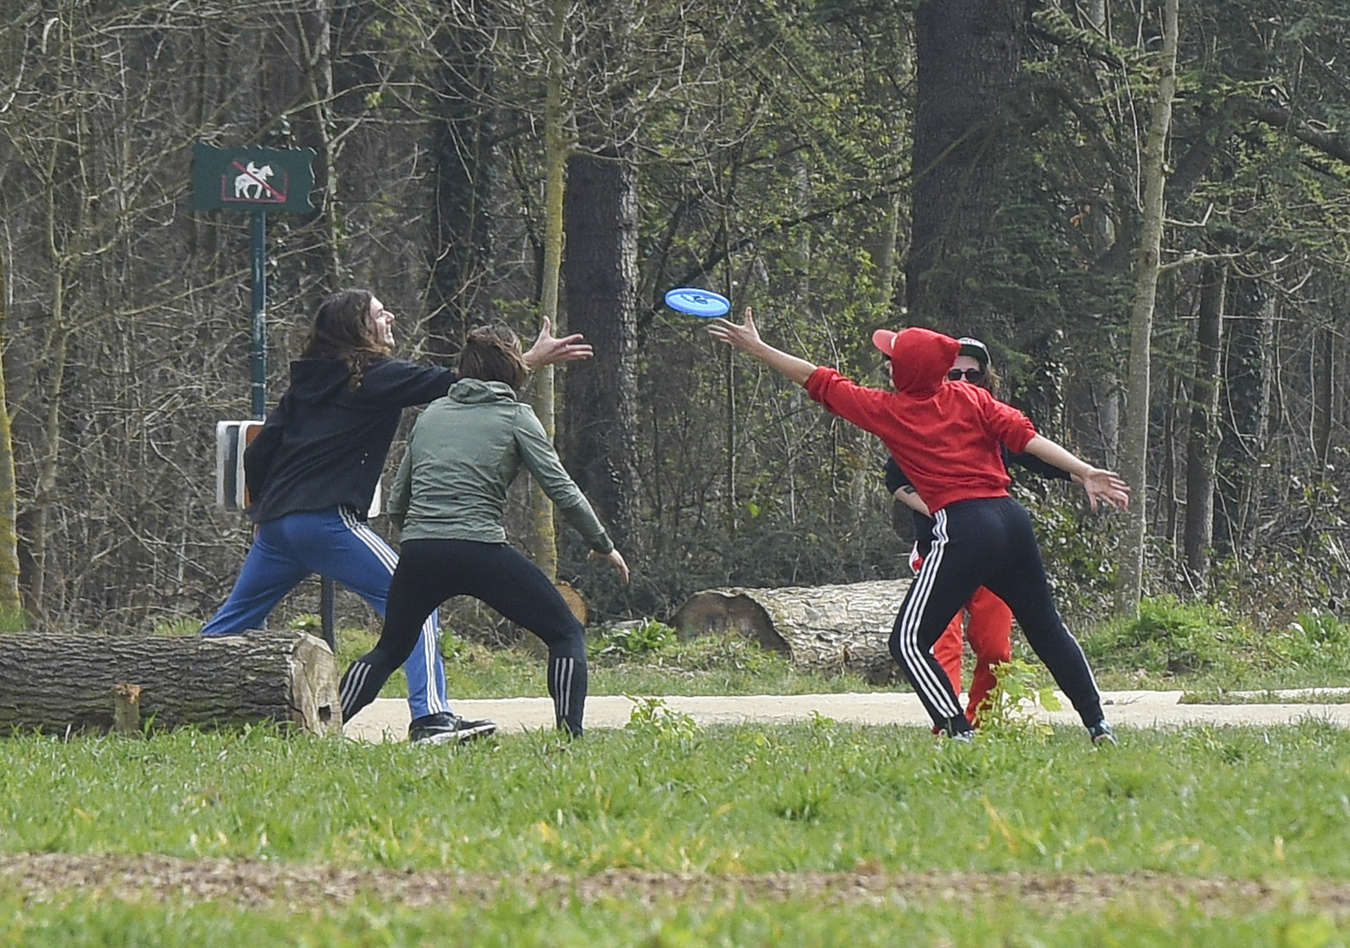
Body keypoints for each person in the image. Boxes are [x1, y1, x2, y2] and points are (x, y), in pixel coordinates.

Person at [708, 309, 1129, 743]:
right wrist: (1084, 470)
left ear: (901, 373)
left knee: (908, 643)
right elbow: (1026, 438)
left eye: (891, 357)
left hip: (967, 526)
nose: (886, 362)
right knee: (1046, 629)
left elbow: (818, 380)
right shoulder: (973, 398)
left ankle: (956, 732)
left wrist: (757, 348)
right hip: (1011, 519)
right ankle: (1099, 726)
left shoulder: (887, 410)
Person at [201, 289, 592, 744]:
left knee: (232, 622)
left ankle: (170, 681)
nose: (390, 314)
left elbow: (261, 450)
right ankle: (431, 717)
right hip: (328, 521)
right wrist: (527, 359)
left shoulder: (305, 383)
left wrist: (268, 504)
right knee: (416, 602)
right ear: (360, 330)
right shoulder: (371, 377)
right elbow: (458, 386)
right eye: (378, 312)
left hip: (276, 526)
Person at [337, 325, 629, 736]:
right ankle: (570, 738)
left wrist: (420, 540)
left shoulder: (432, 414)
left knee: (389, 649)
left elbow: (399, 498)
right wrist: (603, 543)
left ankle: (318, 728)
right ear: (513, 369)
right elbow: (561, 489)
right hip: (480, 549)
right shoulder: (516, 417)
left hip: (421, 551)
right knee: (564, 632)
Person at [883, 337, 1090, 727]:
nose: (963, 379)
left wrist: (1085, 474)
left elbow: (1037, 454)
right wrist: (940, 505)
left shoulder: (991, 418)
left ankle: (982, 722)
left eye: (971, 374)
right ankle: (947, 727)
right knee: (937, 645)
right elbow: (894, 478)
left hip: (994, 552)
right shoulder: (915, 420)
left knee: (995, 647)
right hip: (939, 547)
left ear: (986, 379)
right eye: (954, 373)